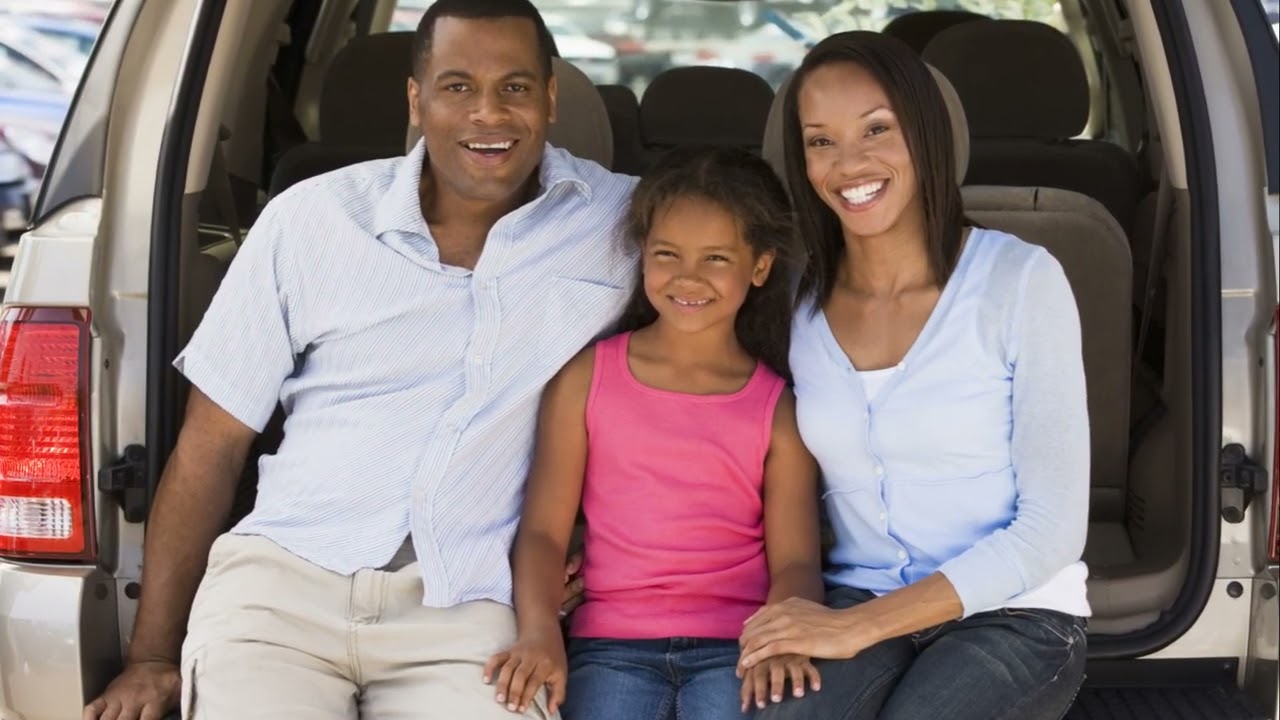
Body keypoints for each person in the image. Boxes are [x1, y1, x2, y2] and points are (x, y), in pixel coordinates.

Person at [83, 1, 636, 718]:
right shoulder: (312, 218)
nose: (488, 114)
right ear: (416, 99)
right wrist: (152, 657)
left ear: (551, 97)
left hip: (468, 604)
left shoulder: (626, 225)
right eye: (458, 86)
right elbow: (211, 445)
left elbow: (724, 374)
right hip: (280, 587)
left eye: (516, 87)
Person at [741, 31, 1091, 720]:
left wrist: (853, 629)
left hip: (1015, 611)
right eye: (821, 141)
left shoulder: (1021, 280)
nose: (849, 163)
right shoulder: (795, 303)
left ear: (926, 133)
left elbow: (1051, 532)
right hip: (857, 595)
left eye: (877, 129)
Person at [482, 147, 824, 720]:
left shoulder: (777, 408)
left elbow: (796, 564)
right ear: (643, 254)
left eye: (717, 258)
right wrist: (539, 631)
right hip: (609, 647)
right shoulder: (586, 378)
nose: (688, 277)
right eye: (667, 254)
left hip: (737, 649)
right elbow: (542, 532)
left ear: (760, 267)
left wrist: (783, 639)